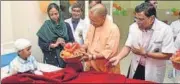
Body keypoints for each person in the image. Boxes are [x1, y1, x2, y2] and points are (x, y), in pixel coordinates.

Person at [109, 2, 175, 83]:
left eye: (141, 19)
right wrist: (118, 57)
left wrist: (145, 53)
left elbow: (168, 55)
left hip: (153, 70)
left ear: (152, 19)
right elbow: (128, 46)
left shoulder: (165, 30)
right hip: (136, 66)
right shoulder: (133, 27)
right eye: (136, 18)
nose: (137, 21)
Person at [81, 4, 120, 74]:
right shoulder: (93, 25)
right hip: (90, 67)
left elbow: (109, 52)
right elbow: (87, 41)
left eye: (94, 21)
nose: (91, 23)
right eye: (90, 20)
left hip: (106, 70)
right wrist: (82, 48)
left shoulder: (113, 29)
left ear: (103, 18)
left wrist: (92, 57)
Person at [37, 3, 74, 68]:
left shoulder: (66, 25)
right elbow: (41, 43)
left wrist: (65, 44)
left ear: (59, 12)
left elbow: (72, 41)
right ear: (49, 15)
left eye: (56, 14)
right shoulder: (46, 26)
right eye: (51, 14)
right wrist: (53, 45)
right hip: (51, 58)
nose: (54, 16)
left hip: (66, 56)